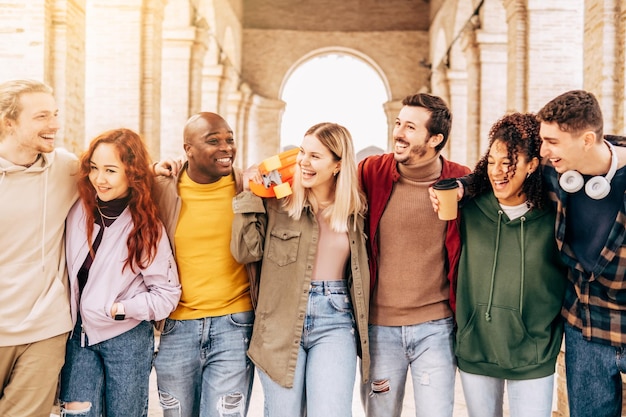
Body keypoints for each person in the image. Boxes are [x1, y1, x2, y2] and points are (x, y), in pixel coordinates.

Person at [230, 122, 370, 417]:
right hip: (279, 321)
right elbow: (245, 251)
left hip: (335, 318)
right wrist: (249, 193)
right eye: (302, 152)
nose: (304, 162)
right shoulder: (279, 202)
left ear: (337, 165)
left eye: (315, 156)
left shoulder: (355, 212)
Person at [358, 93, 470, 417]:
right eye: (398, 123)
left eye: (409, 126)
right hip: (380, 329)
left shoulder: (458, 180)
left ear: (436, 139)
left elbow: (499, 187)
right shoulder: (371, 173)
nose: (398, 133)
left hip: (436, 329)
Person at [451, 112, 567, 417]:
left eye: (509, 162)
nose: (498, 171)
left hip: (533, 354)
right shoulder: (470, 209)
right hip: (476, 347)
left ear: (532, 164)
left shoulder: (556, 215)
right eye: (492, 161)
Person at [59, 128, 181, 416]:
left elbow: (167, 294)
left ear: (132, 174)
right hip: (80, 336)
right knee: (77, 412)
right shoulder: (78, 209)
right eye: (94, 168)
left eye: (111, 170)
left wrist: (122, 309)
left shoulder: (146, 228)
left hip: (127, 339)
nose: (99, 179)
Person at [152, 112, 257, 417]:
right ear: (188, 149)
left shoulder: (247, 186)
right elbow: (114, 184)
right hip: (176, 327)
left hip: (234, 326)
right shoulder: (163, 188)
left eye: (230, 139)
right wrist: (151, 169)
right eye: (213, 141)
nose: (226, 147)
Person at [536, 90, 626, 417]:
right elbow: (501, 169)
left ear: (587, 139)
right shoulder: (555, 173)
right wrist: (463, 186)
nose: (544, 150)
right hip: (584, 328)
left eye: (553, 141)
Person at [0, 79, 78, 417]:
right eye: (42, 116)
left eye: (56, 114)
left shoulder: (66, 168)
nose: (55, 125)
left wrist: (163, 172)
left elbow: (116, 177)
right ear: (9, 123)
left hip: (45, 326)